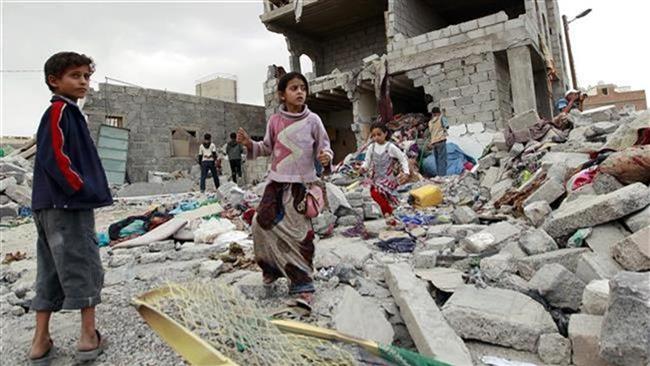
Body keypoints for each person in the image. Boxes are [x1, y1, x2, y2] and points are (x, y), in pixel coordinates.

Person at [30, 51, 113, 364]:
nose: (83, 82)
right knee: (84, 265)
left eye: (86, 76)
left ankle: (41, 342)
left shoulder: (70, 113)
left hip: (51, 205)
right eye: (75, 76)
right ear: (54, 81)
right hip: (67, 206)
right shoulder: (59, 112)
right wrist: (80, 187)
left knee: (50, 270)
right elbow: (55, 156)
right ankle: (88, 337)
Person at [236, 71, 332, 306]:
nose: (300, 92)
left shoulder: (313, 121)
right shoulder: (275, 121)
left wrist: (326, 157)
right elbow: (267, 147)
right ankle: (270, 268)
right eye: (294, 88)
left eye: (303, 88)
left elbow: (325, 147)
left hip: (301, 186)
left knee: (300, 235)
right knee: (261, 223)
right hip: (276, 183)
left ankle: (302, 283)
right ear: (282, 95)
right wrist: (250, 144)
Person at [360, 122, 409, 217]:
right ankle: (388, 213)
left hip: (388, 180)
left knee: (380, 195)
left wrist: (406, 172)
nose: (376, 138)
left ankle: (388, 213)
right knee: (375, 194)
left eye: (379, 134)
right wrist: (363, 167)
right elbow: (367, 161)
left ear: (385, 134)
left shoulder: (390, 147)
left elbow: (403, 158)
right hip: (376, 178)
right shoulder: (371, 147)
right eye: (373, 135)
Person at [427, 106, 449, 177]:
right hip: (441, 141)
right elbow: (447, 126)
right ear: (438, 113)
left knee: (437, 161)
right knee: (442, 160)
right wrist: (444, 115)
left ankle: (439, 176)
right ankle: (442, 177)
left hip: (434, 143)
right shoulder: (441, 118)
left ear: (433, 114)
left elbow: (430, 132)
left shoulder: (430, 122)